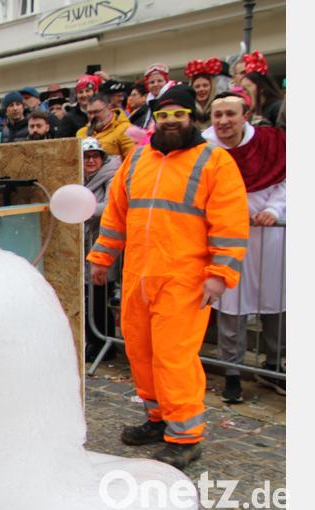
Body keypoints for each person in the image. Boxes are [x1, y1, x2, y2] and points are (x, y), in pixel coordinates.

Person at [87, 85, 249, 469]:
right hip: (138, 276)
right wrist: (101, 256)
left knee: (174, 358)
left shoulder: (215, 162)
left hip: (185, 279)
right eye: (163, 116)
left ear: (193, 117)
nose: (171, 122)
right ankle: (158, 419)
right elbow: (116, 214)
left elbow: (230, 222)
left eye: (179, 115)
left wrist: (220, 275)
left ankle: (186, 436)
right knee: (141, 352)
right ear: (154, 120)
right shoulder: (138, 159)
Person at [202, 92, 286, 401]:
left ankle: (274, 365)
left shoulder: (272, 142)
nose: (224, 121)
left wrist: (275, 211)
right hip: (228, 236)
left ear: (244, 116)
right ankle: (232, 371)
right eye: (218, 115)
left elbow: (287, 181)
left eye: (230, 114)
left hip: (270, 236)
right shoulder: (204, 147)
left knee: (277, 302)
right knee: (231, 305)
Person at [81, 137, 122, 364]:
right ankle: (94, 342)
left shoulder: (110, 177)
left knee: (99, 298)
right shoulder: (81, 179)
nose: (91, 161)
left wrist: (83, 208)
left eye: (95, 156)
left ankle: (106, 343)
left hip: (102, 245)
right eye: (86, 157)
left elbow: (110, 207)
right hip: (84, 247)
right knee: (88, 298)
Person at [76, 94, 135, 162]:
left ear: (109, 107)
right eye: (89, 113)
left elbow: (133, 161)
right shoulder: (81, 133)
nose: (92, 116)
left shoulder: (126, 129)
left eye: (96, 112)